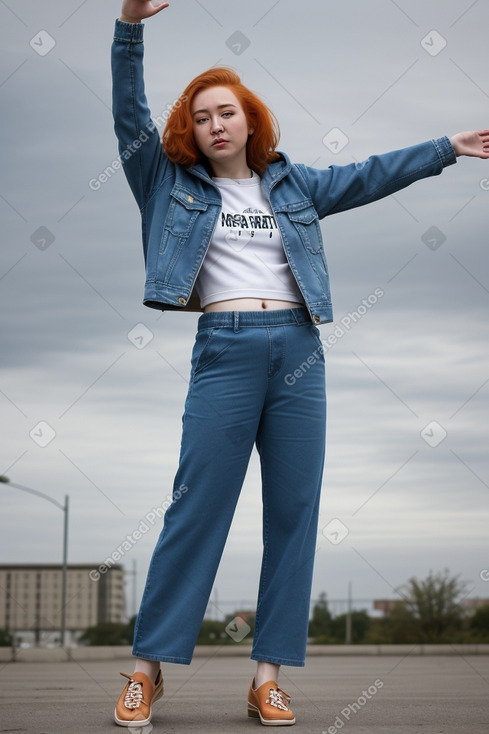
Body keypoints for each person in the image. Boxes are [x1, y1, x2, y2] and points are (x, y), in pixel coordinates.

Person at [111, 0, 489, 727]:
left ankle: (266, 678)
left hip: (298, 353)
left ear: (250, 121)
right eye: (201, 117)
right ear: (188, 132)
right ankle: (145, 669)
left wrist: (446, 146)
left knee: (294, 513)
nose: (215, 124)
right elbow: (128, 115)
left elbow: (369, 173)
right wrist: (129, 26)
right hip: (223, 350)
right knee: (197, 510)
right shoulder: (169, 186)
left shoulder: (294, 187)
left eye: (226, 112)